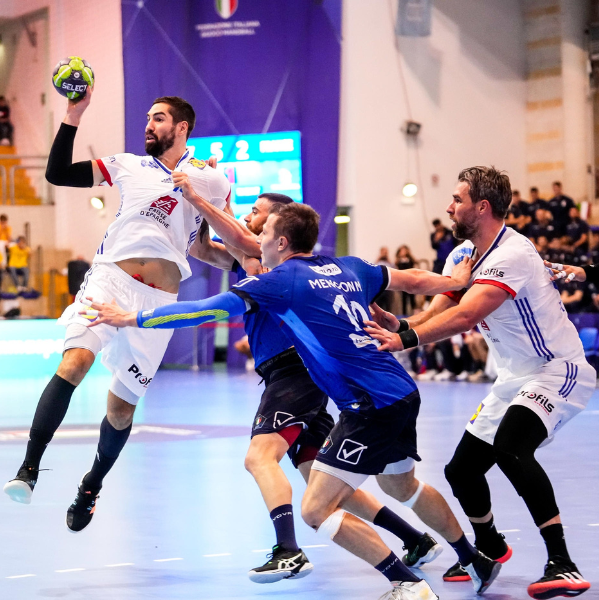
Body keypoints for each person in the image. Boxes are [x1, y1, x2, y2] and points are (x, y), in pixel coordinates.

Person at [83, 202, 498, 599]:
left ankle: (406, 582)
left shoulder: (279, 281)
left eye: (263, 232)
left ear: (281, 243)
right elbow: (408, 279)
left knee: (316, 510)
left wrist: (130, 318)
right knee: (398, 483)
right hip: (402, 390)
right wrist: (453, 282)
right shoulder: (349, 267)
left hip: (367, 403)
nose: (256, 238)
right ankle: (473, 558)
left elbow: (205, 310)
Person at [179, 189, 459, 583]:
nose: (248, 217)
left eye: (256, 213)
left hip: (295, 370)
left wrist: (201, 192)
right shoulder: (252, 257)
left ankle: (288, 551)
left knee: (260, 457)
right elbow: (201, 247)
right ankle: (415, 539)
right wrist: (191, 210)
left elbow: (238, 238)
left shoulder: (271, 264)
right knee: (320, 475)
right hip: (292, 374)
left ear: (279, 230)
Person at [1, 90, 233, 536]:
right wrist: (74, 114)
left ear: (182, 128)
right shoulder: (128, 164)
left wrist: (249, 263)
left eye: (159, 118)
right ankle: (28, 469)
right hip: (110, 280)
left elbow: (205, 246)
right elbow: (57, 173)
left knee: (122, 410)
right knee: (75, 362)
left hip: (158, 304)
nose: (148, 124)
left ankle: (91, 485)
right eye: (148, 117)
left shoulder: (210, 181)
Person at [365, 167, 594, 599]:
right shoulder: (461, 257)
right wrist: (400, 324)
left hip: (556, 369)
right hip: (514, 377)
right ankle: (489, 548)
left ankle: (561, 563)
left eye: (456, 199)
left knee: (511, 446)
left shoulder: (514, 254)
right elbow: (439, 311)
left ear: (481, 207)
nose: (449, 206)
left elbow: (467, 315)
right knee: (461, 471)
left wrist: (404, 340)